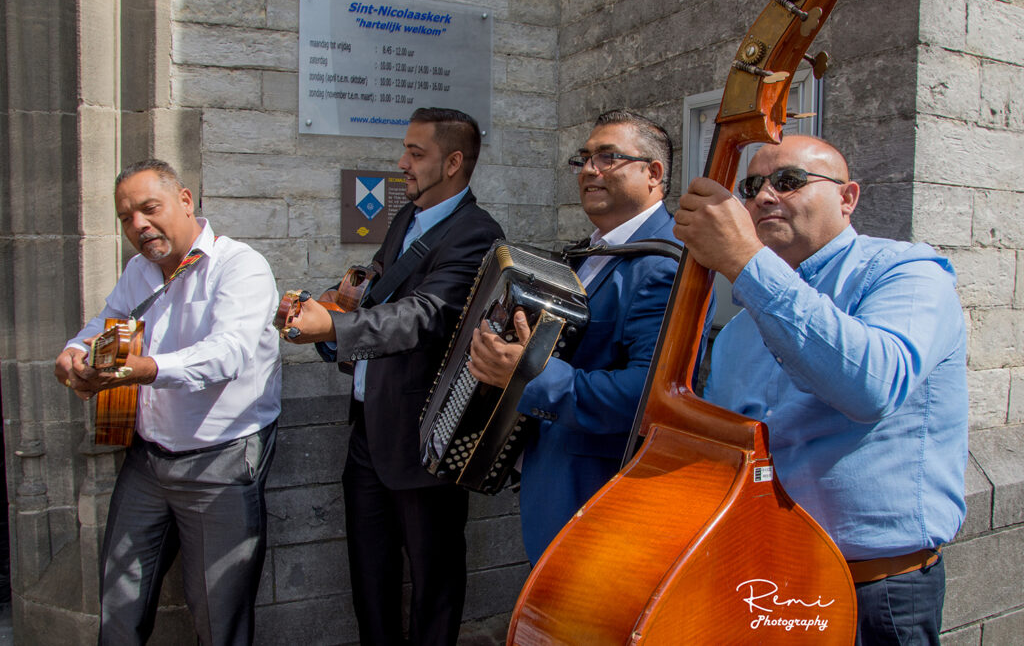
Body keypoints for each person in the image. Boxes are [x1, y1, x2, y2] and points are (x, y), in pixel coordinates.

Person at [673, 134, 967, 644]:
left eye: (788, 182)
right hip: (768, 580)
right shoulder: (742, 329)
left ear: (847, 197)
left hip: (874, 587)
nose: (765, 197)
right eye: (753, 185)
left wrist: (745, 260)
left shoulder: (904, 271)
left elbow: (871, 386)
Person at [283, 107, 503, 646]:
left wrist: (334, 325)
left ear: (453, 163)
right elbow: (390, 294)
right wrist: (349, 300)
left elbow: (424, 315)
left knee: (435, 582)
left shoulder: (478, 234)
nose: (401, 162)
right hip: (369, 431)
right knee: (370, 575)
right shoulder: (407, 217)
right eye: (405, 149)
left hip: (424, 440)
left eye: (415, 153)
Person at [54, 159, 281, 645]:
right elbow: (108, 319)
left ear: (185, 201)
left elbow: (229, 354)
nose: (138, 225)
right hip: (148, 459)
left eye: (149, 208)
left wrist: (145, 369)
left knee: (219, 619)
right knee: (119, 606)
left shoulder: (240, 266)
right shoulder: (139, 269)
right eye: (127, 217)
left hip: (218, 463)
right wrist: (75, 352)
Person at [468, 110, 710, 564]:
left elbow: (650, 394)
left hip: (601, 491)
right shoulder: (591, 251)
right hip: (556, 478)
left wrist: (528, 376)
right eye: (584, 159)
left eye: (608, 157)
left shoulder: (665, 266)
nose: (590, 170)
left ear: (653, 173)